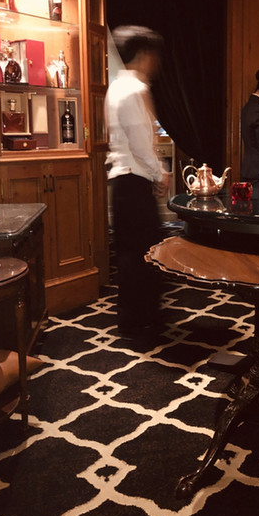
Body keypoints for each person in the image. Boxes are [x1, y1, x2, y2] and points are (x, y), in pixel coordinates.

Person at [105, 25, 170, 339]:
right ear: (144, 54)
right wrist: (161, 174)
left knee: (131, 254)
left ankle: (135, 318)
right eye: (154, 55)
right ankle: (140, 321)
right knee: (143, 254)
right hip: (133, 183)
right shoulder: (132, 90)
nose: (156, 62)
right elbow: (141, 143)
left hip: (124, 183)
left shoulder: (117, 87)